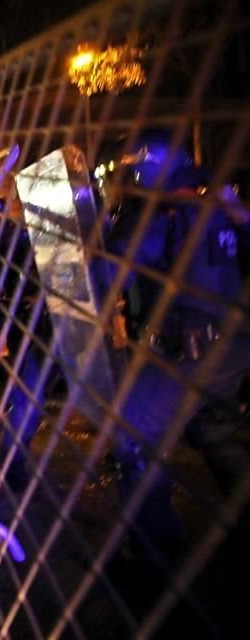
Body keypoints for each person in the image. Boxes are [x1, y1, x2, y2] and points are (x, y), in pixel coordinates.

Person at [105, 129, 250, 566]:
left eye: (130, 170)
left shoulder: (158, 213)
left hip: (187, 356)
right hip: (231, 351)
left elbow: (109, 271)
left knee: (134, 438)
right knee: (217, 434)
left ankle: (154, 558)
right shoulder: (216, 205)